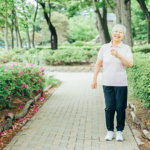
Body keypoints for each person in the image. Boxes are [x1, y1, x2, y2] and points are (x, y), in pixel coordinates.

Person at [91, 24, 133, 142]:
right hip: (107, 82)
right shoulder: (104, 47)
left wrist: (118, 55)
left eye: (120, 32)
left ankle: (119, 131)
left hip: (121, 83)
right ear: (112, 33)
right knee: (110, 108)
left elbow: (130, 63)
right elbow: (98, 64)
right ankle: (110, 131)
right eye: (115, 31)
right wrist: (94, 79)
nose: (117, 33)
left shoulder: (126, 48)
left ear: (124, 35)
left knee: (120, 107)